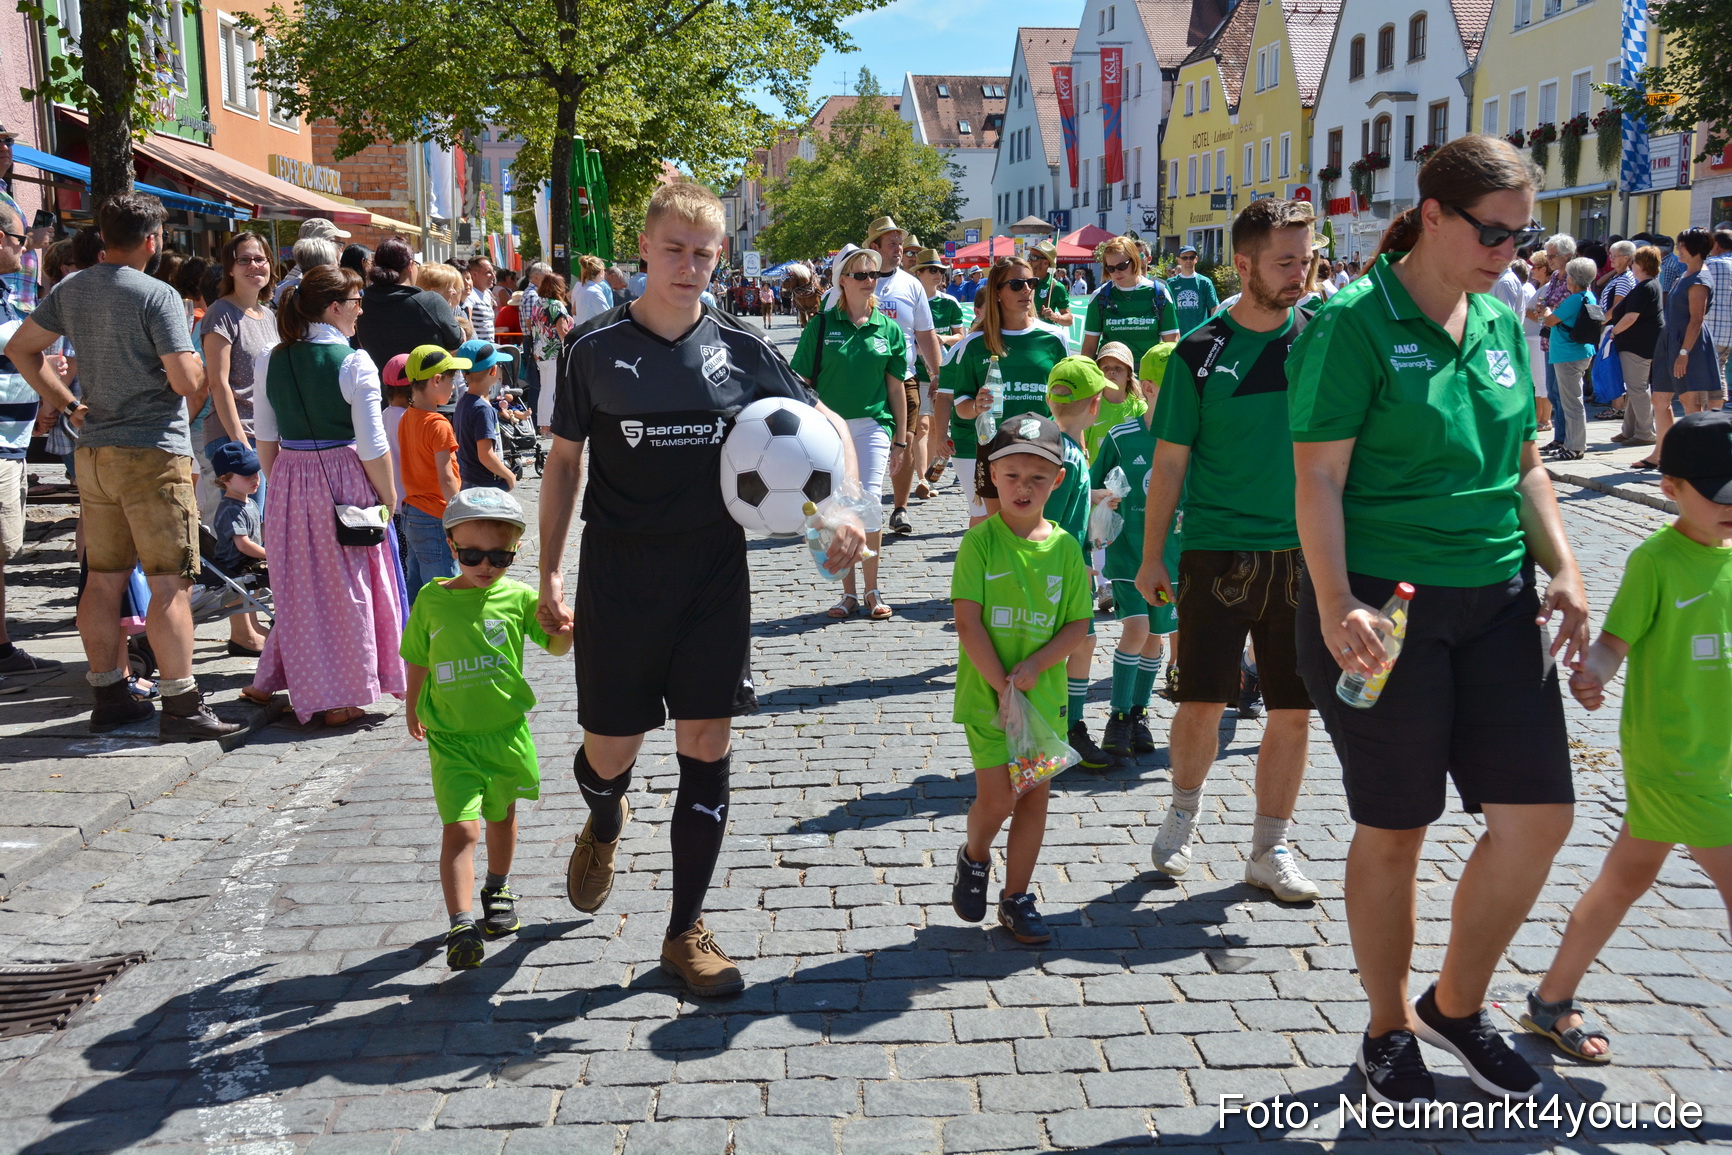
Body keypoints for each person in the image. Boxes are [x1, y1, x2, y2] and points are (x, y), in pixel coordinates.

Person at [1288, 135, 1584, 1104]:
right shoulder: (1349, 322)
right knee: (1395, 826)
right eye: (1491, 231)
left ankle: (1455, 1006)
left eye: (1521, 233)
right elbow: (1319, 477)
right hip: (1383, 607)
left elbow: (1525, 465)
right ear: (1430, 213)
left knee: (1539, 817)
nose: (1508, 250)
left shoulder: (1501, 323)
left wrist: (1567, 568)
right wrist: (1336, 605)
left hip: (1495, 599)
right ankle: (1385, 1028)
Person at [539, 182, 864, 998]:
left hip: (714, 574)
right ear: (642, 250)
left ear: (720, 257)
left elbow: (822, 427)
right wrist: (546, 569)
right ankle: (605, 815)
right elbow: (565, 463)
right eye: (676, 249)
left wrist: (845, 511)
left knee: (707, 747)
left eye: (705, 252)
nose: (690, 266)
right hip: (619, 574)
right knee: (609, 752)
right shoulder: (590, 347)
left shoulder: (744, 347)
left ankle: (684, 931)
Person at [1521, 410, 1732, 1064]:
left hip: (1720, 758)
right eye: (1718, 494)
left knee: (1622, 879)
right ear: (1670, 488)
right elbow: (1614, 644)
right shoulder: (1655, 561)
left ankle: (1551, 999)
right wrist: (1593, 677)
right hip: (1676, 761)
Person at [1134, 198, 1322, 906]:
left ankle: (1270, 847)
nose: (1299, 274)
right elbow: (1170, 464)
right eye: (1284, 262)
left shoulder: (1321, 337)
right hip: (1215, 550)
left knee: (1293, 709)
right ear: (1242, 264)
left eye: (1307, 259)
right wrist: (1153, 556)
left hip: (1306, 553)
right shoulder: (1198, 351)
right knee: (1202, 701)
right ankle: (1183, 809)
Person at [8, 192, 235, 738]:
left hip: (96, 452)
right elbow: (184, 381)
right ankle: (181, 706)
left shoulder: (71, 288)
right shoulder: (156, 295)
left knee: (103, 580)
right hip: (152, 452)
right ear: (153, 241)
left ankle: (108, 692)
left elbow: (22, 349)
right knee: (169, 584)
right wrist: (200, 375)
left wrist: (68, 404)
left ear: (103, 236)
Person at [401, 487, 570, 968]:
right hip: (451, 739)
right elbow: (417, 659)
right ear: (451, 546)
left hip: (506, 733)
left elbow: (554, 648)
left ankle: (497, 886)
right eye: (472, 553)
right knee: (462, 830)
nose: (486, 565)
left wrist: (566, 629)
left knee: (502, 817)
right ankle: (461, 923)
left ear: (515, 551)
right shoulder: (432, 600)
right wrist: (413, 706)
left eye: (499, 555)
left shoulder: (518, 597)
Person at [949, 415, 1092, 945]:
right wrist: (1004, 687)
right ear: (990, 474)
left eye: (1038, 477)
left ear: (1058, 481)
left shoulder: (1065, 548)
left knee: (1034, 796)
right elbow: (968, 621)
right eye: (1012, 475)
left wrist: (1036, 667)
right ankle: (975, 854)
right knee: (999, 799)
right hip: (987, 698)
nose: (1023, 487)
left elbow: (1079, 624)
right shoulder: (980, 543)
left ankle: (1017, 898)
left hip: (1045, 700)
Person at [247, 264, 405, 727]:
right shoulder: (355, 363)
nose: (360, 312)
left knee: (301, 587)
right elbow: (373, 445)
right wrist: (388, 495)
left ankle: (284, 680)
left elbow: (266, 437)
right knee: (348, 585)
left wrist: (285, 484)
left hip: (291, 476)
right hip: (342, 474)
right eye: (356, 303)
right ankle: (342, 695)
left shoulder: (270, 359)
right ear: (334, 308)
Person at [789, 247, 908, 620]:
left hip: (874, 425)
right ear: (843, 280)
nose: (869, 281)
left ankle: (873, 590)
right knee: (837, 507)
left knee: (869, 503)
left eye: (874, 275)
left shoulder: (888, 328)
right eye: (860, 275)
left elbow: (896, 389)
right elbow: (800, 382)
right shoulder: (821, 325)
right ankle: (848, 593)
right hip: (827, 429)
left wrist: (902, 439)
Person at [1091, 361, 1175, 762]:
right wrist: (1106, 499)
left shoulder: (1191, 435)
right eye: (1172, 385)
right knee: (1137, 629)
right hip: (1128, 554)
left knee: (1155, 636)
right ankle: (1118, 716)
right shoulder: (1122, 436)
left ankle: (1139, 715)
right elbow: (1089, 485)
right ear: (1148, 388)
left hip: (1171, 557)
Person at [945, 258, 1068, 527]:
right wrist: (977, 406)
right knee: (999, 529)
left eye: (1031, 283)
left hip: (1042, 448)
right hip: (993, 448)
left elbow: (1066, 402)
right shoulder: (975, 344)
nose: (1026, 290)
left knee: (1039, 530)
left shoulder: (1054, 338)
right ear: (997, 292)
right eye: (1016, 284)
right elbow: (961, 407)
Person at [0, 200, 63, 682]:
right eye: (21, 240)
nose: (27, 251)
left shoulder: (5, 293)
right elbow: (13, 352)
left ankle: (1, 647)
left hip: (12, 439)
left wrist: (41, 398)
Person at [1042, 356, 1111, 770]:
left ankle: (1057, 727)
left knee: (1064, 644)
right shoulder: (1067, 454)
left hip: (1051, 564)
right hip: (1067, 567)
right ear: (1095, 405)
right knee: (1079, 643)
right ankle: (1069, 728)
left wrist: (1096, 497)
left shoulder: (1052, 443)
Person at [862, 216, 942, 536]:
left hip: (905, 376)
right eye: (892, 244)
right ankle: (863, 504)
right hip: (864, 379)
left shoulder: (912, 285)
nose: (899, 249)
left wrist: (937, 375)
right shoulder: (857, 279)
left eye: (900, 243)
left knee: (905, 442)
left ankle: (899, 508)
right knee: (862, 442)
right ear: (874, 248)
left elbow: (926, 334)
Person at [398, 344, 469, 599]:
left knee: (416, 590)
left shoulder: (408, 416)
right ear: (436, 379)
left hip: (412, 513)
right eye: (451, 379)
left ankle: (412, 637)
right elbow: (447, 475)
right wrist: (460, 515)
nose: (453, 386)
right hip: (435, 515)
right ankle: (442, 638)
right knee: (444, 592)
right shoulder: (439, 424)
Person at [1649, 229, 1723, 436]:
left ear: (1695, 248)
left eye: (1682, 245)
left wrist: (1684, 353)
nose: (1678, 249)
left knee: (1690, 402)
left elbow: (1696, 319)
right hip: (1671, 339)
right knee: (1660, 399)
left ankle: (1693, 458)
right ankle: (1661, 453)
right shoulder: (1686, 273)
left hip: (1688, 344)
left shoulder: (1699, 279)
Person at [355, 238, 465, 374]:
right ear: (410, 266)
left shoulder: (360, 302)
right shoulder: (431, 302)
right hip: (427, 389)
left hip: (378, 388)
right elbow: (457, 342)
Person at [1080, 236, 1180, 375]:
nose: (1116, 273)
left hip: (1150, 377)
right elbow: (1089, 348)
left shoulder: (1159, 293)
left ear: (1135, 261)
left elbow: (1172, 344)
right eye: (1110, 268)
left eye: (1122, 266)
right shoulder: (1100, 297)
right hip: (1111, 379)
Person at [207, 440, 269, 654]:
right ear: (225, 480)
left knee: (253, 593)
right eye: (247, 475)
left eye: (256, 473)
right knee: (240, 593)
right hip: (233, 565)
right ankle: (244, 634)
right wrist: (271, 555)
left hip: (247, 562)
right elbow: (242, 544)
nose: (255, 479)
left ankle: (253, 626)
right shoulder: (230, 509)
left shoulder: (248, 503)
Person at [912, 249, 965, 495]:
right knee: (921, 426)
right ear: (919, 273)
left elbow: (961, 338)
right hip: (914, 373)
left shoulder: (949, 302)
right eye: (932, 270)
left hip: (943, 375)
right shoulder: (910, 300)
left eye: (940, 270)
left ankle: (931, 479)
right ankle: (922, 478)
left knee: (935, 427)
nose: (938, 274)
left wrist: (941, 339)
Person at [1536, 256, 1599, 462]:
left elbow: (1550, 320)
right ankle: (1571, 443)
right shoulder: (1589, 296)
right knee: (1572, 401)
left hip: (1568, 355)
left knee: (1571, 403)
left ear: (1574, 278)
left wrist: (1546, 310)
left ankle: (1575, 446)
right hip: (1579, 352)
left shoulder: (1575, 298)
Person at [1609, 246, 1662, 456]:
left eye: (1634, 261)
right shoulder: (1648, 285)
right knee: (1634, 388)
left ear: (1641, 264)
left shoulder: (1645, 287)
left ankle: (1645, 432)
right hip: (1639, 344)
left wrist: (1614, 332)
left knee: (1637, 388)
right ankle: (1630, 429)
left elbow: (1631, 317)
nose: (1632, 265)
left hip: (1637, 345)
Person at [452, 338, 517, 492]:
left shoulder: (463, 402)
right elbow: (485, 455)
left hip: (467, 480)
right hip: (485, 485)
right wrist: (509, 475)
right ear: (493, 370)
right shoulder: (483, 409)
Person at [526, 273, 573, 434]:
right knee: (553, 389)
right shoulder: (557, 306)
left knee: (545, 389)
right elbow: (563, 330)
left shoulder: (537, 304)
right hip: (555, 352)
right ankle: (550, 425)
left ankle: (544, 425)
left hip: (540, 352)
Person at [1085, 341, 1147, 458]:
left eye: (1118, 368)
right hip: (1096, 475)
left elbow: (1144, 446)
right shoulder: (1090, 405)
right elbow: (1082, 445)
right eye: (1105, 367)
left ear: (1129, 375)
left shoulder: (1140, 407)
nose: (1111, 371)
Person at [272, 227, 343, 307]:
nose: (338, 270)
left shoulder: (288, 289)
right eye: (336, 265)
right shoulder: (322, 297)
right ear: (326, 268)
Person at [1166, 244, 1219, 336]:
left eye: (1191, 257)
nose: (1188, 260)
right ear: (1178, 260)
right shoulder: (1170, 284)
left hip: (1200, 336)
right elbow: (1165, 310)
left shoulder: (1205, 282)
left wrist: (1213, 331)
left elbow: (1214, 308)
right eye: (1184, 258)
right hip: (1177, 336)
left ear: (1196, 259)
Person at [1706, 229, 1732, 392]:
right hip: (1727, 331)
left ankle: (1710, 414)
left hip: (1712, 329)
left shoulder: (1711, 264)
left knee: (1708, 375)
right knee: (1719, 371)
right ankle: (1715, 414)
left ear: (1717, 244)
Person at [1028, 240, 1073, 327]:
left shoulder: (1056, 287)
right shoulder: (1022, 282)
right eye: (1029, 256)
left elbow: (1069, 320)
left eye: (1033, 258)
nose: (1028, 260)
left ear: (1045, 263)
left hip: (1044, 337)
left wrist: (1055, 317)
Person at [462, 257, 497, 344]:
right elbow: (466, 322)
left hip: (489, 346)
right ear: (474, 275)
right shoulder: (470, 295)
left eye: (493, 272)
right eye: (488, 272)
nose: (493, 276)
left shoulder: (488, 294)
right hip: (478, 349)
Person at [574, 255, 611, 324]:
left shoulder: (583, 288)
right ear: (600, 272)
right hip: (591, 332)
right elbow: (608, 317)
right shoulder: (594, 293)